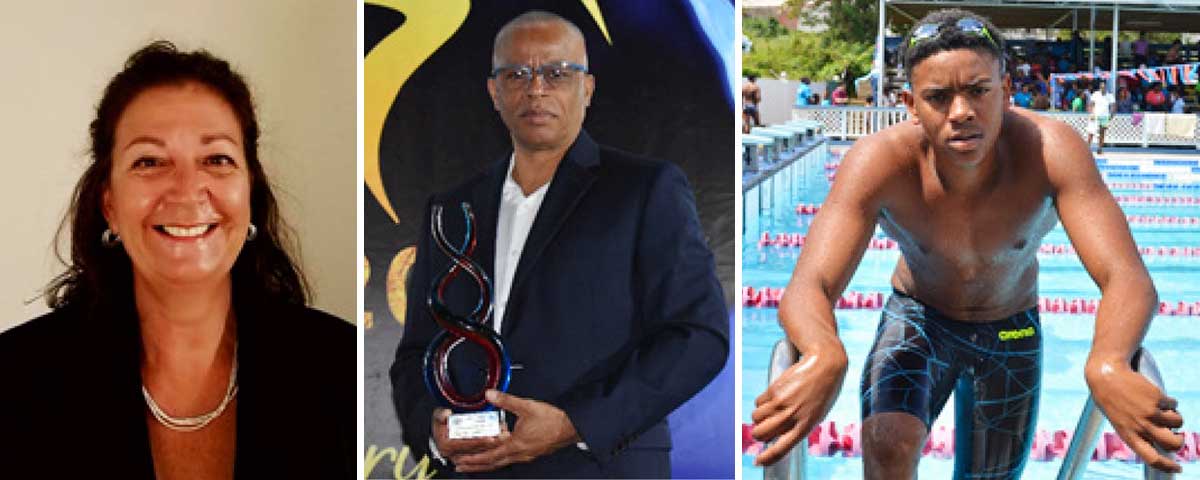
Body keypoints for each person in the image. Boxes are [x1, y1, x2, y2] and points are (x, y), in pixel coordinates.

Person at [750, 9, 1184, 479]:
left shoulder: (1050, 151)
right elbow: (809, 282)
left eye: (978, 91)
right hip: (918, 321)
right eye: (938, 97)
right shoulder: (879, 163)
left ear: (1007, 90)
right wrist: (822, 350)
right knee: (888, 450)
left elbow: (1126, 276)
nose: (961, 112)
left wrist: (1108, 362)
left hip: (1011, 332)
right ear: (911, 105)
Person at [390, 11, 728, 478]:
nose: (536, 89)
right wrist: (431, 428)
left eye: (556, 73)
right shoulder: (451, 209)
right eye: (517, 74)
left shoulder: (645, 190)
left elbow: (699, 336)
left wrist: (575, 423)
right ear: (495, 92)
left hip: (597, 466)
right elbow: (416, 353)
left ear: (586, 89)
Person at [0, 41, 354, 477]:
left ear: (250, 194)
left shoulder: (341, 368)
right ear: (109, 203)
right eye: (149, 161)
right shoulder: (15, 380)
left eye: (217, 159)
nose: (187, 190)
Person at [1088, 81, 1116, 154]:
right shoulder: (1095, 94)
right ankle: (1087, 148)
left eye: (1103, 87)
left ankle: (1099, 149)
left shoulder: (1110, 96)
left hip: (1104, 116)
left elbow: (1113, 106)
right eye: (1101, 87)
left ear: (1106, 87)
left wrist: (1111, 115)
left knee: (1102, 133)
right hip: (1095, 115)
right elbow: (1091, 104)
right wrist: (1091, 114)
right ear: (1099, 87)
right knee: (1091, 132)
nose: (1102, 88)